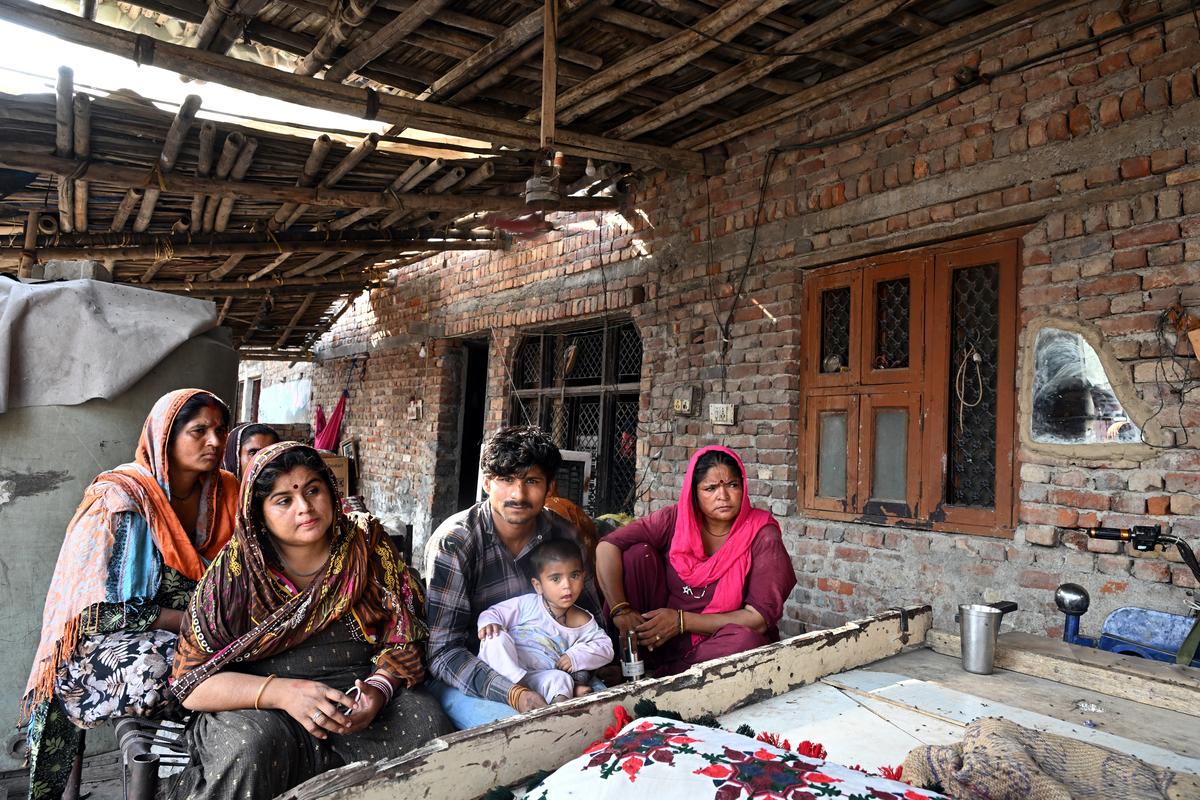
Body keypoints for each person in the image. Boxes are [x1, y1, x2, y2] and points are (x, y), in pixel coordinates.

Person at [168, 442, 451, 799]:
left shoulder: (365, 546)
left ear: (331, 492)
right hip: (260, 705)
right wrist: (282, 693)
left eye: (313, 490)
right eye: (283, 500)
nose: (305, 508)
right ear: (259, 513)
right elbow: (191, 683)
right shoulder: (236, 573)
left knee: (425, 722)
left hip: (356, 694)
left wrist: (379, 689)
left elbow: (405, 634)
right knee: (250, 748)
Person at [21, 389, 238, 800]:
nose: (214, 441)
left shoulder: (228, 493)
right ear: (164, 437)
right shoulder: (121, 498)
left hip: (206, 631)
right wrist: (192, 623)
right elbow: (89, 612)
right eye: (199, 431)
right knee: (167, 669)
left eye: (220, 430)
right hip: (113, 641)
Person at [424, 425, 600, 730]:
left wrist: (577, 678)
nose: (518, 494)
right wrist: (515, 694)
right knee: (528, 736)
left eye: (531, 481)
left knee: (603, 718)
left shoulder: (563, 535)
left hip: (551, 670)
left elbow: (589, 624)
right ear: (488, 483)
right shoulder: (456, 542)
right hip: (472, 677)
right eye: (507, 480)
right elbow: (443, 652)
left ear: (549, 488)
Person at [596, 446, 797, 677]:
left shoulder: (762, 535)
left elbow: (758, 620)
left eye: (732, 485)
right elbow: (607, 546)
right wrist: (620, 609)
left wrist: (682, 621)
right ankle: (627, 660)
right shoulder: (675, 519)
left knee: (746, 641)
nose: (723, 496)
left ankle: (662, 676)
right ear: (694, 493)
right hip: (660, 635)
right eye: (710, 488)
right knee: (637, 556)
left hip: (714, 643)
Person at [476, 539, 614, 705]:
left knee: (560, 678)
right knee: (495, 637)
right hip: (505, 670)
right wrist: (490, 623)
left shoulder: (583, 621)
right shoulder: (528, 604)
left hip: (539, 676)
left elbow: (606, 648)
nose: (567, 586)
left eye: (574, 576)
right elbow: (494, 612)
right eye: (556, 579)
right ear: (538, 585)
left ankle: (557, 710)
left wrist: (575, 656)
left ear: (583, 577)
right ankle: (520, 689)